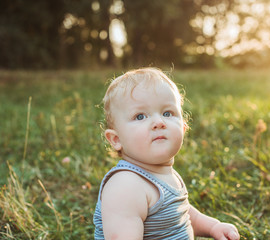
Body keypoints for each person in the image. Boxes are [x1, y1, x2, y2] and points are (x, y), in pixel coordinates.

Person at [93, 67, 240, 240]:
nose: (158, 122)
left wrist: (213, 226)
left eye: (167, 113)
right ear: (116, 139)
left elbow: (181, 214)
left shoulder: (166, 175)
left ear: (183, 128)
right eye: (140, 116)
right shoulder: (125, 186)